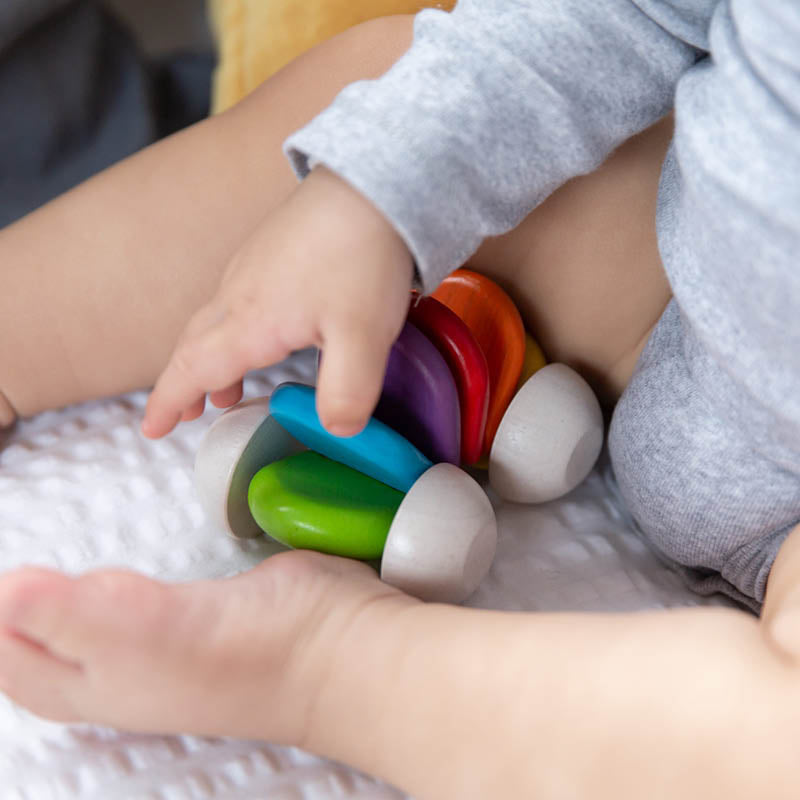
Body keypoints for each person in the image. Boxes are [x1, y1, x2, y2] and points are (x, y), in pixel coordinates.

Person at [0, 2, 799, 797]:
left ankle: (333, 667)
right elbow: (620, 16)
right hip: (641, 249)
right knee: (385, 88)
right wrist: (371, 203)